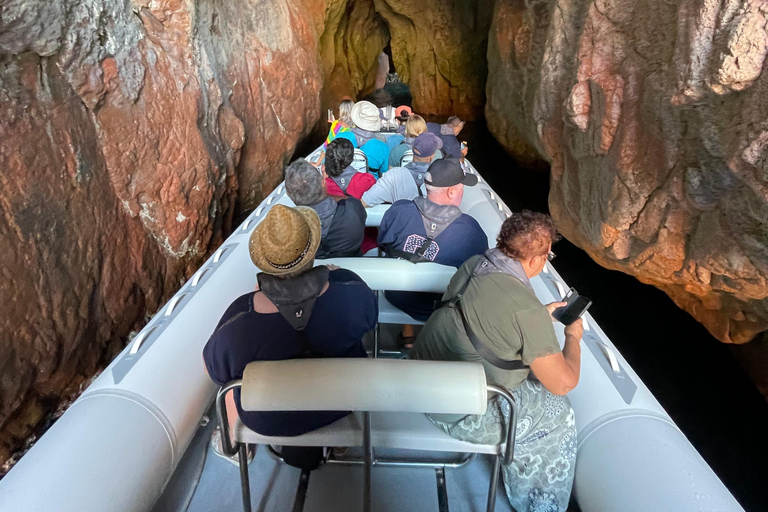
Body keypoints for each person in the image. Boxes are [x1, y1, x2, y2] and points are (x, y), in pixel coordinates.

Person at [411, 211, 581, 512]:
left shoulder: (474, 264)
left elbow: (487, 315)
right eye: (548, 255)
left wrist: (539, 316)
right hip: (454, 412)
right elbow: (563, 383)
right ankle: (539, 505)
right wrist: (573, 338)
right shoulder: (526, 312)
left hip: (421, 377)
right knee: (558, 414)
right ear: (537, 259)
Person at [203, 204, 377, 438]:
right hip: (342, 400)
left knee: (231, 387)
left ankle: (234, 447)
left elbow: (214, 370)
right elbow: (369, 320)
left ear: (265, 262)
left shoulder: (240, 318)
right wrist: (335, 275)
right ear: (312, 251)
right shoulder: (351, 288)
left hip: (271, 419)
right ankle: (339, 440)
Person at [377, 158, 487, 347]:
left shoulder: (398, 211)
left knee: (409, 262)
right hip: (443, 305)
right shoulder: (471, 230)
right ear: (452, 192)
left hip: (397, 294)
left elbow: (382, 243)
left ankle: (408, 334)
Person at [284, 159, 366, 258]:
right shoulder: (353, 207)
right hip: (353, 265)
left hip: (314, 270)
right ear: (323, 183)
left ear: (289, 194)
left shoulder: (288, 231)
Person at [361, 132, 442, 208]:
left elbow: (365, 201)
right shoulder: (441, 177)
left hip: (403, 221)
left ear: (412, 149)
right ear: (433, 155)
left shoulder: (393, 175)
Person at [350, 100, 390, 175]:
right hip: (372, 184)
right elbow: (384, 173)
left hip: (344, 184)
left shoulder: (341, 137)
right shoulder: (383, 147)